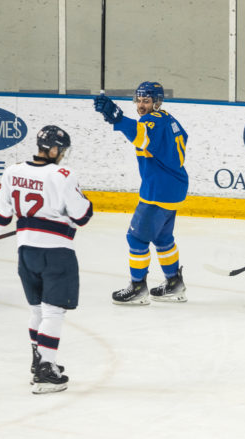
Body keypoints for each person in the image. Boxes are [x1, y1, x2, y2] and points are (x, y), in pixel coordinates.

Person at [0, 125, 93, 394]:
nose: (63, 155)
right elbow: (82, 215)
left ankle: (39, 361)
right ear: (54, 149)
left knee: (37, 310)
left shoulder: (13, 171)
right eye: (61, 150)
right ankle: (46, 370)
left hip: (26, 253)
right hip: (56, 252)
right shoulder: (63, 175)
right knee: (53, 312)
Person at [93, 81, 189, 305]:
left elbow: (141, 134)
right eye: (139, 100)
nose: (141, 105)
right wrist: (116, 119)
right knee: (163, 238)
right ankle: (174, 283)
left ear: (157, 102)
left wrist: (117, 118)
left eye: (146, 101)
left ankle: (138, 287)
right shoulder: (169, 119)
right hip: (174, 187)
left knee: (136, 238)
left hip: (158, 190)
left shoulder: (151, 121)